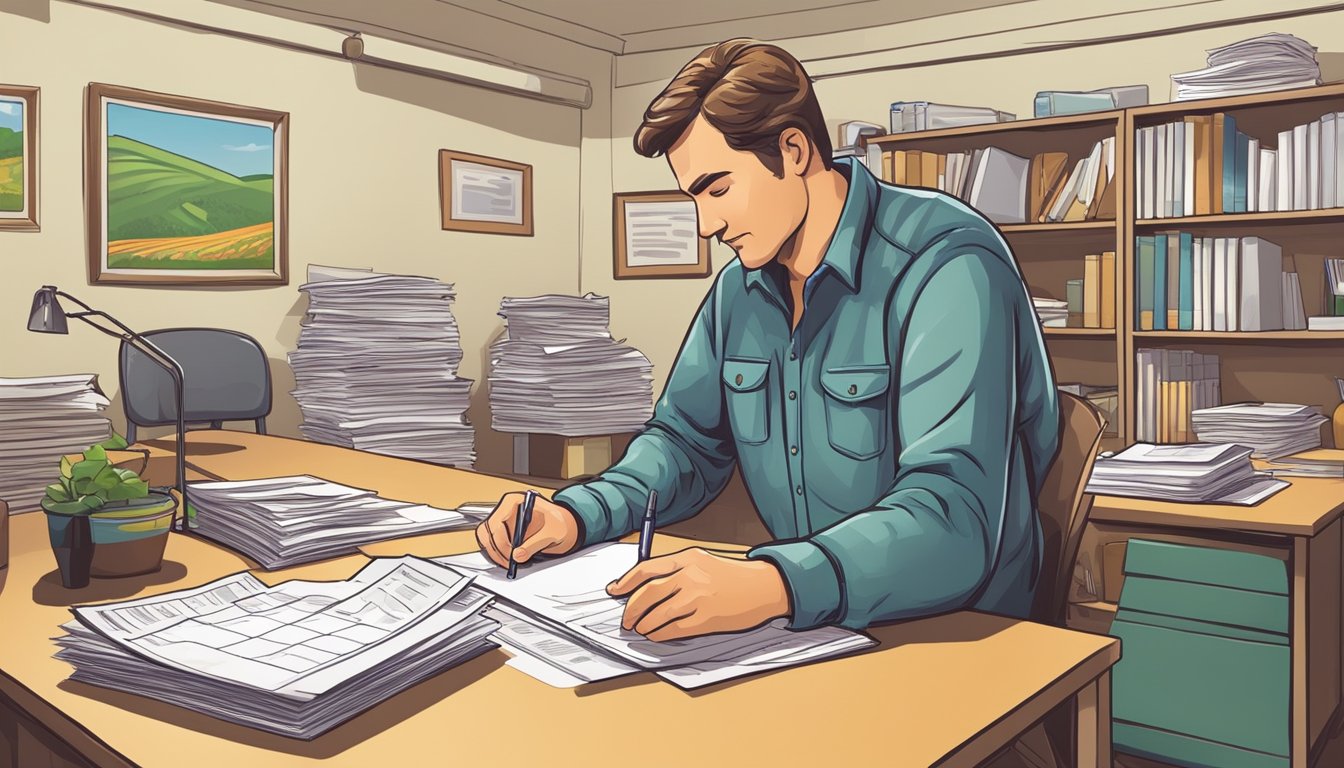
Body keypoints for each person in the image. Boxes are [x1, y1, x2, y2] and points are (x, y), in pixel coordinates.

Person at [476, 39, 1060, 642]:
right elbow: (684, 444)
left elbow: (951, 518)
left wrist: (771, 585)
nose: (706, 225)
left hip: (957, 633)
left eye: (718, 188)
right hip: (805, 621)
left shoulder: (947, 263)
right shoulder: (740, 290)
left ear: (794, 149)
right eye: (694, 198)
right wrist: (577, 513)